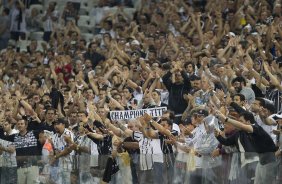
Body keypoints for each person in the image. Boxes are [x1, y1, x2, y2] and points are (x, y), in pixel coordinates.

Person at [215, 110, 278, 184]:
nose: (239, 123)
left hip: (267, 160)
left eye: (241, 121)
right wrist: (218, 136)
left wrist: (226, 119)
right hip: (260, 161)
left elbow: (241, 126)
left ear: (248, 122)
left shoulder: (255, 128)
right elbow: (227, 141)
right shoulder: (241, 132)